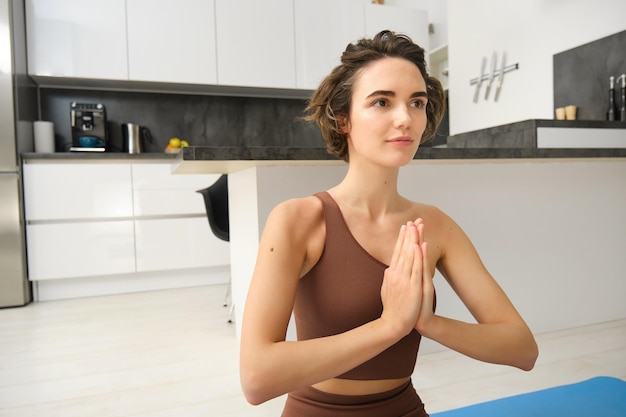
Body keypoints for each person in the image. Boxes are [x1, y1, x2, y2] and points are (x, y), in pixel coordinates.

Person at [239, 30, 538, 416]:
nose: (405, 119)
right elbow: (256, 378)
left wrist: (428, 323)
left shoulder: (435, 225)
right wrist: (390, 326)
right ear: (343, 119)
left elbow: (522, 348)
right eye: (382, 101)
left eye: (417, 102)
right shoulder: (298, 220)